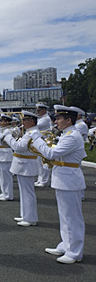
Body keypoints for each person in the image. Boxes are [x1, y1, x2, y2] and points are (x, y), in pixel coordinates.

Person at [29, 105, 86, 264]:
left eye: (59, 118)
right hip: (63, 178)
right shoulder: (67, 134)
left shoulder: (72, 136)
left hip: (69, 179)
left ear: (68, 120)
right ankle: (66, 244)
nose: (56, 121)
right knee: (64, 215)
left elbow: (51, 153)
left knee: (72, 217)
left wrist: (36, 137)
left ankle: (74, 252)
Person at [0, 111, 40, 226]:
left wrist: (8, 137)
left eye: (25, 120)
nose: (22, 123)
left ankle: (30, 218)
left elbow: (18, 147)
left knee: (28, 193)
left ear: (31, 121)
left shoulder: (32, 133)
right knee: (24, 192)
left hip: (26, 165)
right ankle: (25, 215)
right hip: (23, 164)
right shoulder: (28, 132)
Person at [0, 114, 14, 201]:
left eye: (2, 121)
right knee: (2, 176)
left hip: (5, 154)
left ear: (7, 122)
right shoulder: (1, 130)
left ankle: (8, 194)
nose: (0, 123)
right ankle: (4, 192)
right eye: (0, 121)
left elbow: (1, 137)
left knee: (6, 176)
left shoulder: (8, 130)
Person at [35, 103, 52, 187]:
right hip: (40, 141)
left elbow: (36, 126)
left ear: (44, 110)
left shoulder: (45, 119)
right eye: (37, 110)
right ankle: (40, 179)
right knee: (39, 162)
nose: (37, 112)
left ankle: (45, 180)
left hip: (44, 141)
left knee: (43, 162)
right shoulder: (41, 118)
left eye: (39, 110)